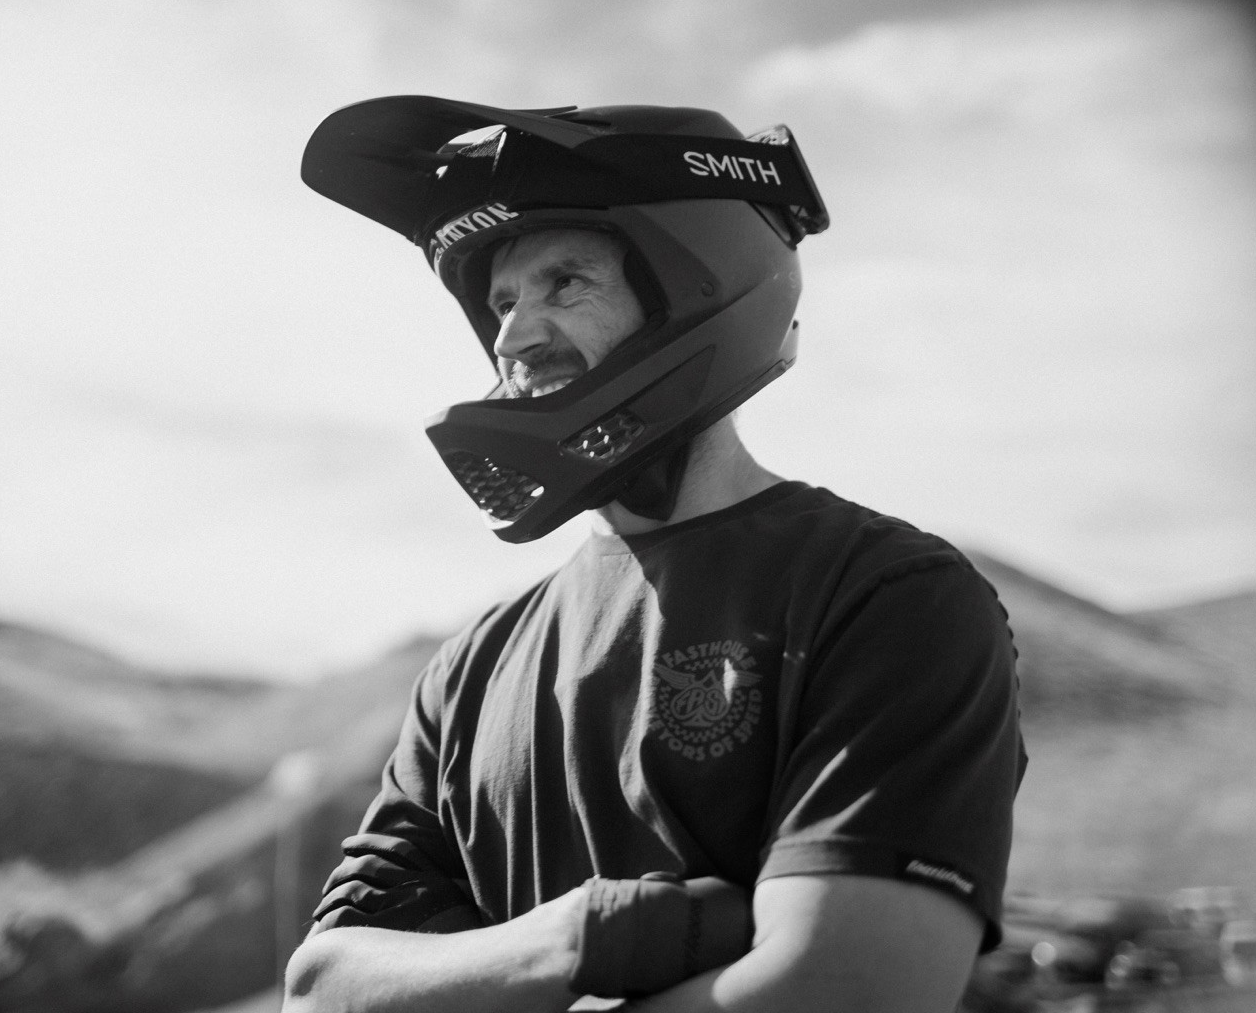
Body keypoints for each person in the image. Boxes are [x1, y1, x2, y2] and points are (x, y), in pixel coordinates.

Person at [283, 96, 1026, 1013]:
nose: (512, 337)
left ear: (695, 291)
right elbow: (323, 987)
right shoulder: (467, 669)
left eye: (565, 283)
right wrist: (589, 937)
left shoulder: (884, 595)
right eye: (502, 302)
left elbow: (848, 991)